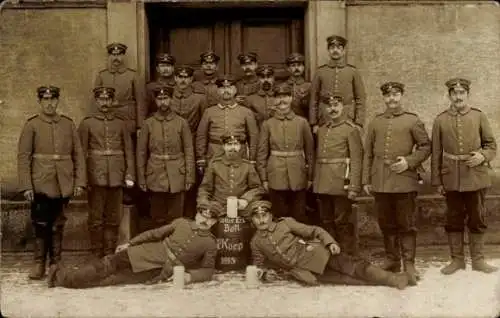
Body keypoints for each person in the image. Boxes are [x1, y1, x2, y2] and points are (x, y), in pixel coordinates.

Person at [47, 202, 221, 288]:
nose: (205, 220)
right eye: (202, 215)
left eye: (210, 218)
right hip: (144, 253)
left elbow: (207, 270)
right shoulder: (181, 223)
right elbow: (154, 234)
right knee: (106, 266)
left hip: (159, 271)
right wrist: (130, 242)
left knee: (110, 281)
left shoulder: (210, 244)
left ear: (215, 222)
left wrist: (189, 277)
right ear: (197, 214)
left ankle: (65, 278)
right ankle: (61, 277)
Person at [248, 200, 409, 289]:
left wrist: (330, 242)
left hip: (319, 254)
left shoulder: (286, 224)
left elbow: (314, 230)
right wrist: (264, 274)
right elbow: (258, 265)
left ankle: (394, 280)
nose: (262, 220)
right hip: (306, 271)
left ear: (271, 216)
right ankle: (394, 280)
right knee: (350, 280)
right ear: (253, 221)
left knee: (355, 267)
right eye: (257, 217)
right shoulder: (256, 242)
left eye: (265, 215)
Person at [362, 82, 431, 285]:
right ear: (384, 98)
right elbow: (368, 152)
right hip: (381, 180)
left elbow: (426, 146)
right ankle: (393, 259)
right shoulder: (376, 122)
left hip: (404, 180)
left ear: (401, 95)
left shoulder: (412, 120)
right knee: (386, 223)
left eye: (396, 95)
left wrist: (408, 161)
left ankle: (409, 263)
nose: (392, 99)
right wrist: (367, 179)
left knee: (406, 224)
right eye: (388, 96)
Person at [17, 85, 86, 279]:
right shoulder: (32, 125)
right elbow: (23, 157)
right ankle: (39, 263)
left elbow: (78, 155)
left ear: (58, 101)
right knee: (40, 223)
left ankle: (56, 262)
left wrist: (79, 182)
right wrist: (26, 185)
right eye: (45, 100)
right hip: (40, 182)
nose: (49, 104)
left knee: (58, 224)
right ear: (40, 102)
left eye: (53, 100)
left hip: (63, 182)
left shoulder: (68, 124)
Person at [431, 78, 497, 275]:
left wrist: (482, 156)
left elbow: (491, 145)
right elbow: (436, 153)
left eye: (461, 93)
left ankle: (478, 260)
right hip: (451, 178)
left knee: (477, 218)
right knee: (453, 219)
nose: (458, 97)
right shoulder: (440, 120)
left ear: (467, 94)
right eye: (454, 93)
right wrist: (436, 181)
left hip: (475, 177)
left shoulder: (478, 116)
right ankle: (457, 260)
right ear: (449, 95)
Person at [78, 86, 135, 257]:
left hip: (117, 175)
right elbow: (80, 153)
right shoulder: (87, 123)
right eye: (101, 99)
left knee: (113, 217)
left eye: (108, 99)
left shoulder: (120, 123)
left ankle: (110, 253)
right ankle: (96, 253)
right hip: (96, 175)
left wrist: (129, 173)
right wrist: (83, 179)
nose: (105, 103)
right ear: (96, 101)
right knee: (96, 217)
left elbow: (129, 151)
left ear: (112, 101)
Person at [137, 86, 195, 229]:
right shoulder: (148, 123)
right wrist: (142, 178)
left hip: (177, 174)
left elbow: (188, 151)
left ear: (171, 100)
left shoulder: (181, 122)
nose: (163, 102)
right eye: (159, 99)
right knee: (157, 217)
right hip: (155, 174)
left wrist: (189, 177)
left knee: (176, 217)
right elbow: (141, 152)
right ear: (155, 101)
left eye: (166, 98)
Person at [313, 92, 363, 255]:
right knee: (326, 221)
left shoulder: (350, 130)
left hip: (342, 182)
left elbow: (356, 159)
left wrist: (354, 186)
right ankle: (330, 256)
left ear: (343, 107)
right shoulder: (321, 130)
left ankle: (347, 257)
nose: (332, 109)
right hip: (323, 182)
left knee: (342, 222)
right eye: (329, 106)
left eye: (336, 105)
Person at [256, 83, 314, 224]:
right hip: (275, 173)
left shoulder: (302, 123)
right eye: (278, 97)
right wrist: (264, 178)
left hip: (298, 173)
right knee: (279, 214)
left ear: (291, 98)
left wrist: (311, 176)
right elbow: (262, 153)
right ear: (273, 100)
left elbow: (310, 152)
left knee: (299, 214)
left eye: (285, 96)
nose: (282, 100)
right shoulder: (267, 124)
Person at [196, 75, 259, 167]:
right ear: (218, 91)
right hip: (215, 153)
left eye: (229, 87)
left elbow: (253, 136)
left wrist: (252, 158)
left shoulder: (246, 112)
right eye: (222, 88)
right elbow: (201, 135)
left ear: (235, 90)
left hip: (239, 153)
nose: (226, 91)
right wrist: (201, 157)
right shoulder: (209, 112)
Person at [170, 65, 207, 218]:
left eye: (186, 77)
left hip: (193, 142)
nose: (183, 80)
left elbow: (204, 125)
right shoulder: (167, 97)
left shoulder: (199, 99)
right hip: (172, 145)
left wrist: (201, 151)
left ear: (191, 79)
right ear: (175, 78)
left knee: (193, 182)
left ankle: (191, 216)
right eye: (180, 77)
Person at [198, 132, 264, 218]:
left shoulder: (247, 166)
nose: (233, 147)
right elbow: (205, 189)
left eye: (236, 144)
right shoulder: (214, 165)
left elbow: (258, 189)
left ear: (240, 146)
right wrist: (205, 205)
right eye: (229, 144)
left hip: (241, 209)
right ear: (224, 147)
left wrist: (245, 200)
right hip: (218, 208)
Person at [309, 35, 366, 132]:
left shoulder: (352, 71)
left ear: (344, 51)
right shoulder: (320, 72)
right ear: (328, 51)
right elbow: (314, 99)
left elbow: (360, 98)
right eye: (332, 48)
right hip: (325, 117)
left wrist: (359, 122)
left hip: (347, 117)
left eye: (339, 48)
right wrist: (314, 123)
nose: (335, 50)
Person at [145, 53, 176, 118]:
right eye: (162, 66)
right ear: (157, 69)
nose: (165, 69)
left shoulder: (179, 86)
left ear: (173, 68)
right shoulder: (150, 87)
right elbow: (146, 109)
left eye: (168, 66)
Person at [285, 53, 311, 119]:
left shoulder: (309, 86)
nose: (296, 68)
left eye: (299, 65)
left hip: (304, 120)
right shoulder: (282, 86)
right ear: (288, 68)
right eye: (293, 66)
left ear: (303, 67)